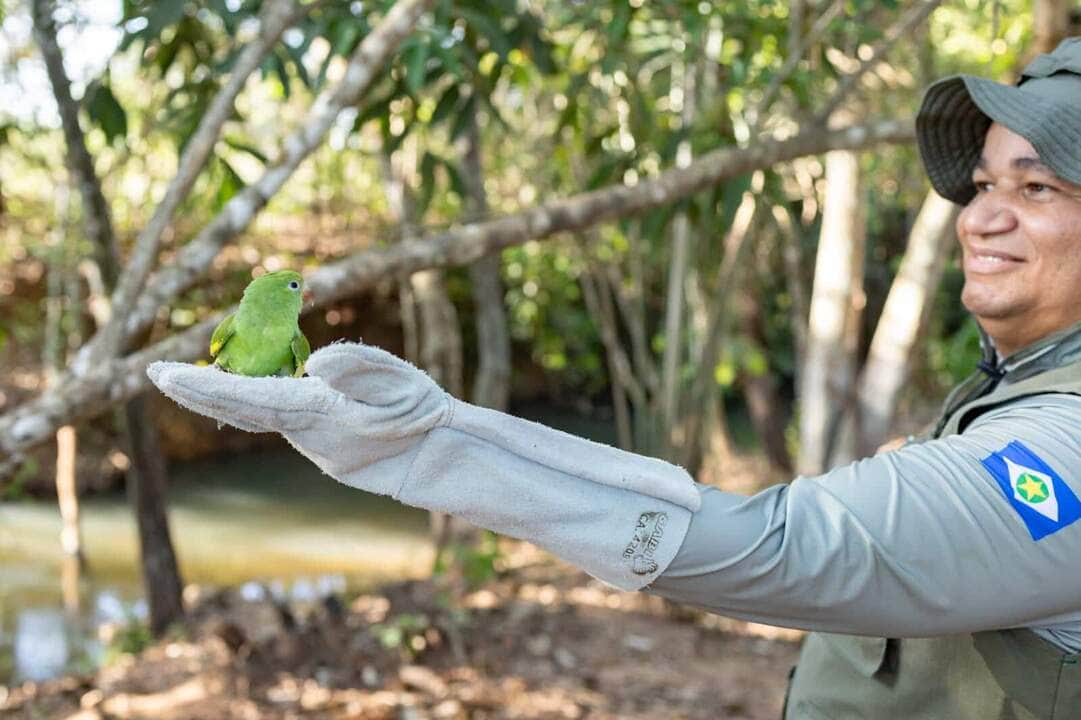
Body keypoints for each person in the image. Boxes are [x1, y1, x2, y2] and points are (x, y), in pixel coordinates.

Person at [149, 37, 1081, 720]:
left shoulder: (1065, 443)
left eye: (1036, 187)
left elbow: (791, 550)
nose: (981, 218)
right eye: (983, 184)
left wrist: (434, 450)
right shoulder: (1017, 380)